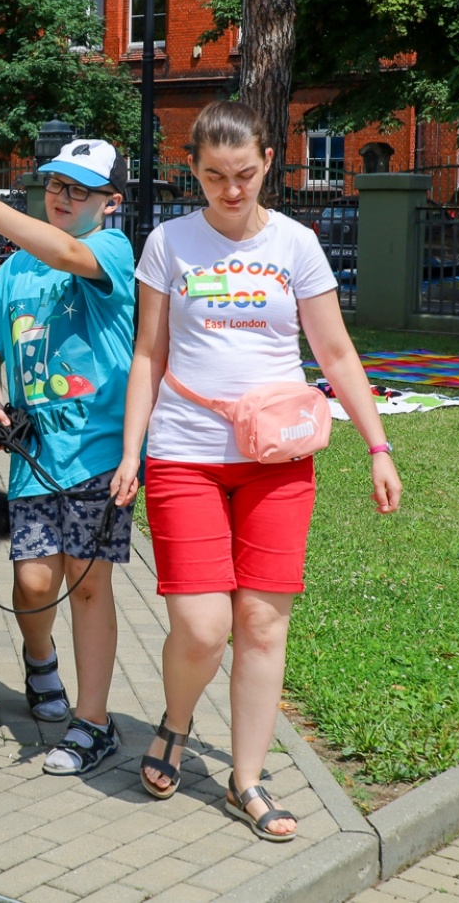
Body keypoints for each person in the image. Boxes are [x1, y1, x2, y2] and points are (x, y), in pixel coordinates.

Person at [112, 101, 402, 838]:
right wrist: (130, 452)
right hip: (186, 454)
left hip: (278, 459)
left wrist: (377, 446)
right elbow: (149, 354)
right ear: (194, 170)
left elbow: (336, 354)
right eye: (213, 176)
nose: (231, 190)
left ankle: (246, 779)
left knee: (263, 625)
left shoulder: (297, 244)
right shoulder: (169, 243)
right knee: (204, 626)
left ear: (268, 160)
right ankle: (176, 721)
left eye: (243, 174)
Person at [0, 140, 135, 776]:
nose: (64, 198)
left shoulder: (111, 250)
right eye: (56, 186)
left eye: (81, 190)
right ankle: (41, 661)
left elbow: (68, 253)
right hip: (33, 453)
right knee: (33, 583)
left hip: (99, 453)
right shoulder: (16, 268)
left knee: (89, 584)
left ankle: (94, 723)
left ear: (110, 202)